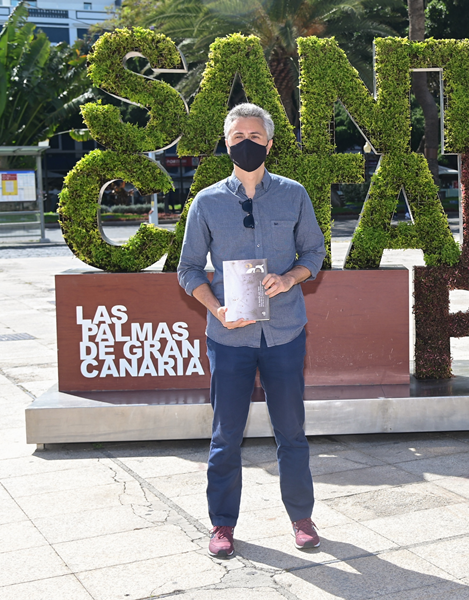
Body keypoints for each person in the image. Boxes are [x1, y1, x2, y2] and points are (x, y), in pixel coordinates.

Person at [177, 103, 325, 558]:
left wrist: (288, 279)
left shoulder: (294, 194)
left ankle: (301, 517)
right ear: (226, 142)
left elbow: (314, 253)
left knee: (292, 432)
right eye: (238, 134)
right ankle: (222, 525)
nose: (246, 142)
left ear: (270, 143)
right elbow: (187, 270)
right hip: (230, 338)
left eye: (255, 136)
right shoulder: (206, 201)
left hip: (284, 334)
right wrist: (217, 310)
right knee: (225, 435)